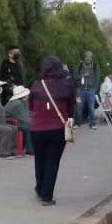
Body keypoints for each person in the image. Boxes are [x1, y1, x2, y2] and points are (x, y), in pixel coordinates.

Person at [29, 56, 74, 206]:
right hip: (57, 129)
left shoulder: (36, 85)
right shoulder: (66, 85)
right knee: (52, 163)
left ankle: (40, 188)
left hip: (37, 129)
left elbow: (30, 106)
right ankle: (47, 196)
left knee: (39, 160)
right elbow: (71, 107)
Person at [75, 51, 101, 130]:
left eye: (90, 57)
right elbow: (75, 76)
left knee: (91, 107)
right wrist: (82, 75)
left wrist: (95, 89)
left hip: (91, 90)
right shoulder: (79, 66)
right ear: (84, 57)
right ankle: (77, 123)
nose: (88, 58)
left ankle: (92, 124)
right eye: (86, 56)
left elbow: (97, 78)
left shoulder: (95, 66)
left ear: (92, 58)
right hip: (80, 90)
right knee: (79, 107)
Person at [5, 85, 33, 154]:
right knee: (31, 128)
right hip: (11, 122)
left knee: (32, 126)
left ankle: (31, 148)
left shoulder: (23, 101)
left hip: (18, 120)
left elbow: (27, 113)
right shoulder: (17, 103)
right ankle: (30, 149)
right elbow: (24, 118)